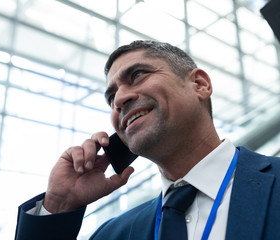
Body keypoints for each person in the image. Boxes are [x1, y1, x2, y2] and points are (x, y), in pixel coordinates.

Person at [15, 40, 280, 240]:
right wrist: (59, 205)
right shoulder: (113, 234)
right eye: (111, 97)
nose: (119, 100)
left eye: (138, 75)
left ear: (199, 84)